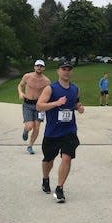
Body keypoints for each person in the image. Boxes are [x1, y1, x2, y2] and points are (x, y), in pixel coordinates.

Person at [36, 59, 85, 203]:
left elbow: (75, 103)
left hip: (69, 130)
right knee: (48, 160)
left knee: (67, 157)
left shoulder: (75, 89)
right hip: (52, 131)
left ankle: (59, 188)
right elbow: (39, 106)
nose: (66, 71)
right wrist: (56, 103)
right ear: (58, 71)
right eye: (64, 69)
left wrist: (79, 107)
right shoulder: (50, 89)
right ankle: (45, 178)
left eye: (69, 69)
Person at [17, 59, 51, 155]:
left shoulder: (46, 81)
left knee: (36, 128)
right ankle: (25, 130)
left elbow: (49, 93)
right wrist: (20, 93)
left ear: (44, 68)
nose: (39, 67)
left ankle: (30, 146)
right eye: (37, 66)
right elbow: (20, 85)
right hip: (27, 104)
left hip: (39, 106)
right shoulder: (27, 76)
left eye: (41, 66)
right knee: (29, 126)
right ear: (34, 67)